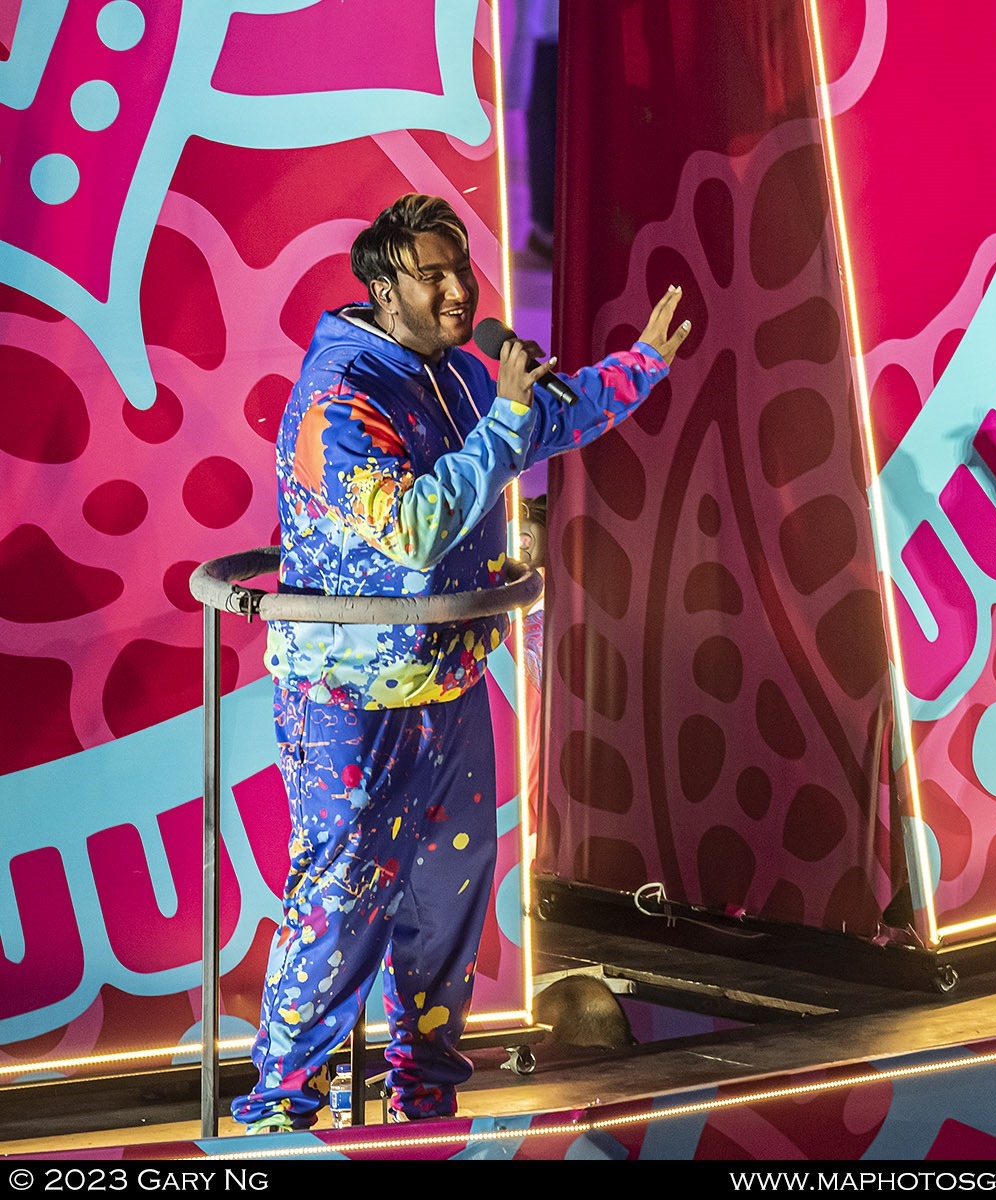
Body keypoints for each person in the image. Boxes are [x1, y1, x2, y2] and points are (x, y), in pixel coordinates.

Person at [232, 193, 689, 1132]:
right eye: (429, 275)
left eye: (461, 270)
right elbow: (412, 528)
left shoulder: (458, 375)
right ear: (379, 285)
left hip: (447, 687)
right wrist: (506, 417)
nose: (454, 291)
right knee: (343, 900)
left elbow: (542, 422)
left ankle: (423, 1104)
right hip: (351, 699)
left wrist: (640, 365)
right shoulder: (339, 397)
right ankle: (280, 1116)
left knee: (446, 904)